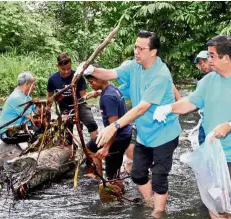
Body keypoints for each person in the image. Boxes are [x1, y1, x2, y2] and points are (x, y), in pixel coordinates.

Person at [154, 35, 231, 219]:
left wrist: (230, 124)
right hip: (211, 154)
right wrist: (169, 108)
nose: (208, 60)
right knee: (213, 201)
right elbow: (190, 102)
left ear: (225, 57)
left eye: (211, 56)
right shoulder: (208, 81)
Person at [78, 30, 181, 218]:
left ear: (153, 52)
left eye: (141, 48)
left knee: (159, 177)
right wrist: (89, 69)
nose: (136, 51)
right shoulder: (134, 65)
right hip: (145, 134)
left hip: (165, 134)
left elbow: (141, 108)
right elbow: (110, 73)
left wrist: (114, 126)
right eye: (135, 46)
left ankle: (158, 213)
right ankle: (151, 203)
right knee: (138, 174)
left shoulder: (160, 75)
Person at [47, 52, 99, 175]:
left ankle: (93, 150)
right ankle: (69, 158)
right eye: (63, 69)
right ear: (58, 66)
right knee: (66, 135)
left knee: (91, 123)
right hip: (64, 109)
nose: (66, 72)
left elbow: (83, 96)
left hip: (79, 105)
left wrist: (91, 94)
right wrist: (47, 112)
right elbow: (50, 99)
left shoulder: (78, 76)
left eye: (69, 69)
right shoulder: (53, 79)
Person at [84, 73, 132, 181]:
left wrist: (106, 148)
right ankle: (99, 177)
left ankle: (109, 184)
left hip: (117, 137)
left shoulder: (107, 97)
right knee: (90, 147)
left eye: (92, 82)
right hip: (125, 133)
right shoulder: (112, 89)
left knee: (112, 176)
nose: (90, 85)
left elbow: (113, 127)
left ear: (101, 79)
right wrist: (97, 93)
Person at [0, 71, 37, 145]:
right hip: (7, 133)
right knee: (36, 137)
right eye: (33, 85)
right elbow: (31, 118)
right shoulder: (17, 97)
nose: (34, 87)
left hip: (16, 130)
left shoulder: (26, 97)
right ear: (27, 84)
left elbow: (36, 111)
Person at [193, 50, 212, 145]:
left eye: (204, 61)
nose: (202, 65)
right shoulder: (201, 83)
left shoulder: (223, 78)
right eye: (200, 63)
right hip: (204, 124)